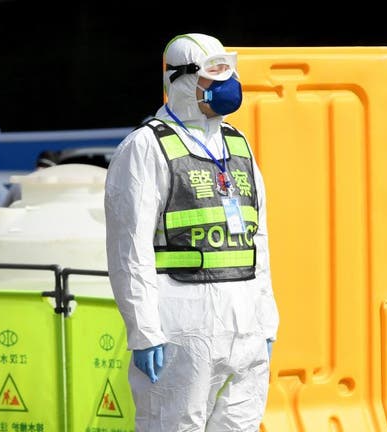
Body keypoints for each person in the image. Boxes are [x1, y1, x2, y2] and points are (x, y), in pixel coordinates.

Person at [104, 33, 279, 431]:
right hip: (181, 325)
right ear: (181, 81)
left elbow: (258, 239)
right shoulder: (145, 147)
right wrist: (144, 329)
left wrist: (266, 319)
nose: (225, 87)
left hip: (245, 326)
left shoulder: (237, 144)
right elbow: (128, 249)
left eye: (227, 74)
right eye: (211, 76)